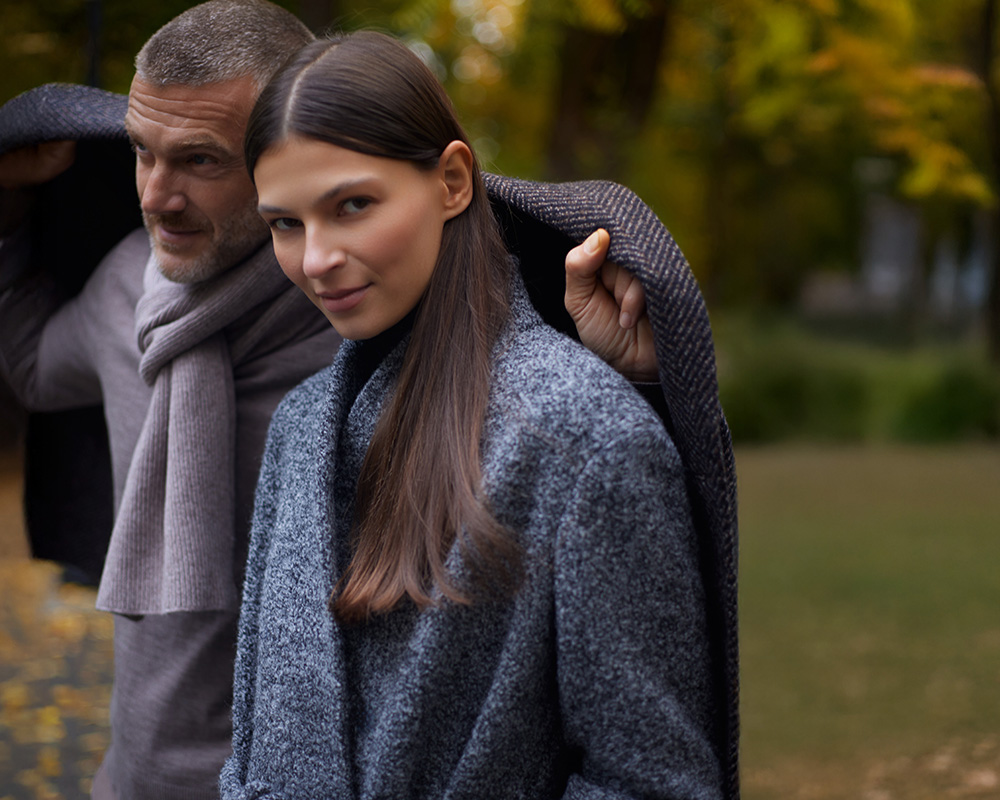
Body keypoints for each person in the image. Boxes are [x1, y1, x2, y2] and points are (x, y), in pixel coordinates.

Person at [0, 2, 664, 797]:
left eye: (203, 160)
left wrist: (630, 382)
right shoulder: (151, 307)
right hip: (140, 772)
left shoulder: (373, 342)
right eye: (141, 154)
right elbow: (33, 362)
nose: (156, 196)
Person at [221, 30, 726, 799]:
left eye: (352, 205)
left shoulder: (582, 438)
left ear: (453, 181)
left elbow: (654, 783)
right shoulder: (300, 426)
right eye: (285, 223)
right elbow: (253, 743)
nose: (315, 258)